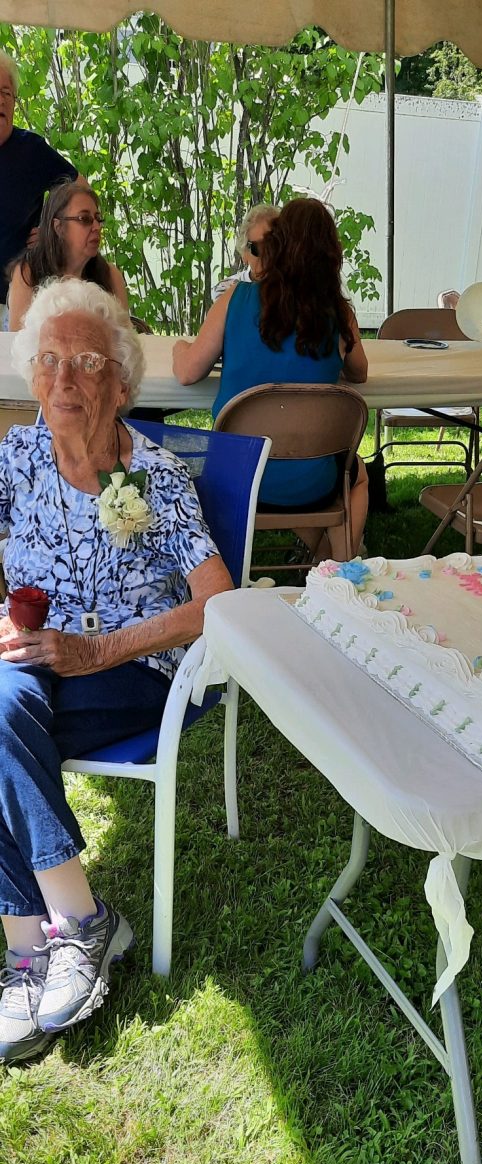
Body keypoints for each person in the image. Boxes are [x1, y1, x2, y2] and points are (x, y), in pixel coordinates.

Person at [0, 277, 233, 1064]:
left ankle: (39, 942)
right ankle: (63, 930)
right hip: (32, 664)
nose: (64, 379)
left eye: (86, 361)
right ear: (32, 375)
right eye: (50, 360)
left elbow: (216, 602)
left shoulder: (155, 478)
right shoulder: (19, 453)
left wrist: (96, 648)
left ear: (122, 381)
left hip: (131, 665)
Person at [173, 197, 369, 561]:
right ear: (332, 255)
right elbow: (360, 371)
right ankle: (334, 567)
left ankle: (324, 563)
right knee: (357, 478)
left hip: (237, 474)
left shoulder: (237, 298)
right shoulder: (338, 313)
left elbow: (187, 372)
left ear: (275, 246)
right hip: (312, 479)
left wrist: (179, 346)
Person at [0, 51, 84, 313]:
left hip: (14, 298)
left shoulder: (31, 150)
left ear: (15, 101)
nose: (1, 101)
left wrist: (52, 231)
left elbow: (81, 191)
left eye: (6, 93)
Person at [7, 181, 129, 330]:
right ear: (58, 227)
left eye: (98, 219)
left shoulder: (110, 275)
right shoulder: (28, 272)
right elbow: (17, 342)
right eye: (85, 219)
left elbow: (126, 342)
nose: (97, 227)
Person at [212, 203, 280, 300]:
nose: (268, 254)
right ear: (244, 253)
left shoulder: (295, 290)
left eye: (274, 245)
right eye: (259, 247)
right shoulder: (226, 290)